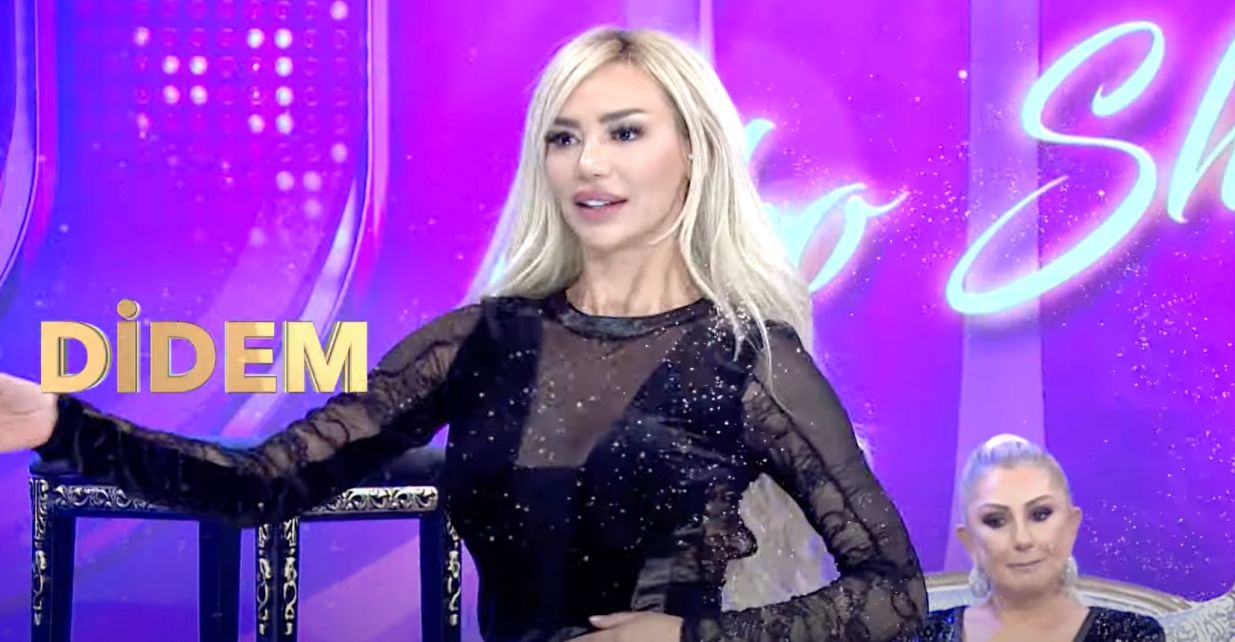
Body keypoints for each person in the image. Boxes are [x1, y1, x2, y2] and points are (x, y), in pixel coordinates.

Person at [0, 26, 927, 642]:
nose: (588, 164)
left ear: (694, 153)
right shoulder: (480, 342)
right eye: (563, 137)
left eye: (624, 132)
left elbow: (894, 592)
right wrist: (59, 422)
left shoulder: (747, 358)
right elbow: (263, 483)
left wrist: (693, 636)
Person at [919, 435, 1164, 642]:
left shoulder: (1131, 634)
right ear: (970, 541)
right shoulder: (927, 634)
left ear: (1070, 526)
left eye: (1040, 515)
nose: (1022, 539)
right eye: (996, 520)